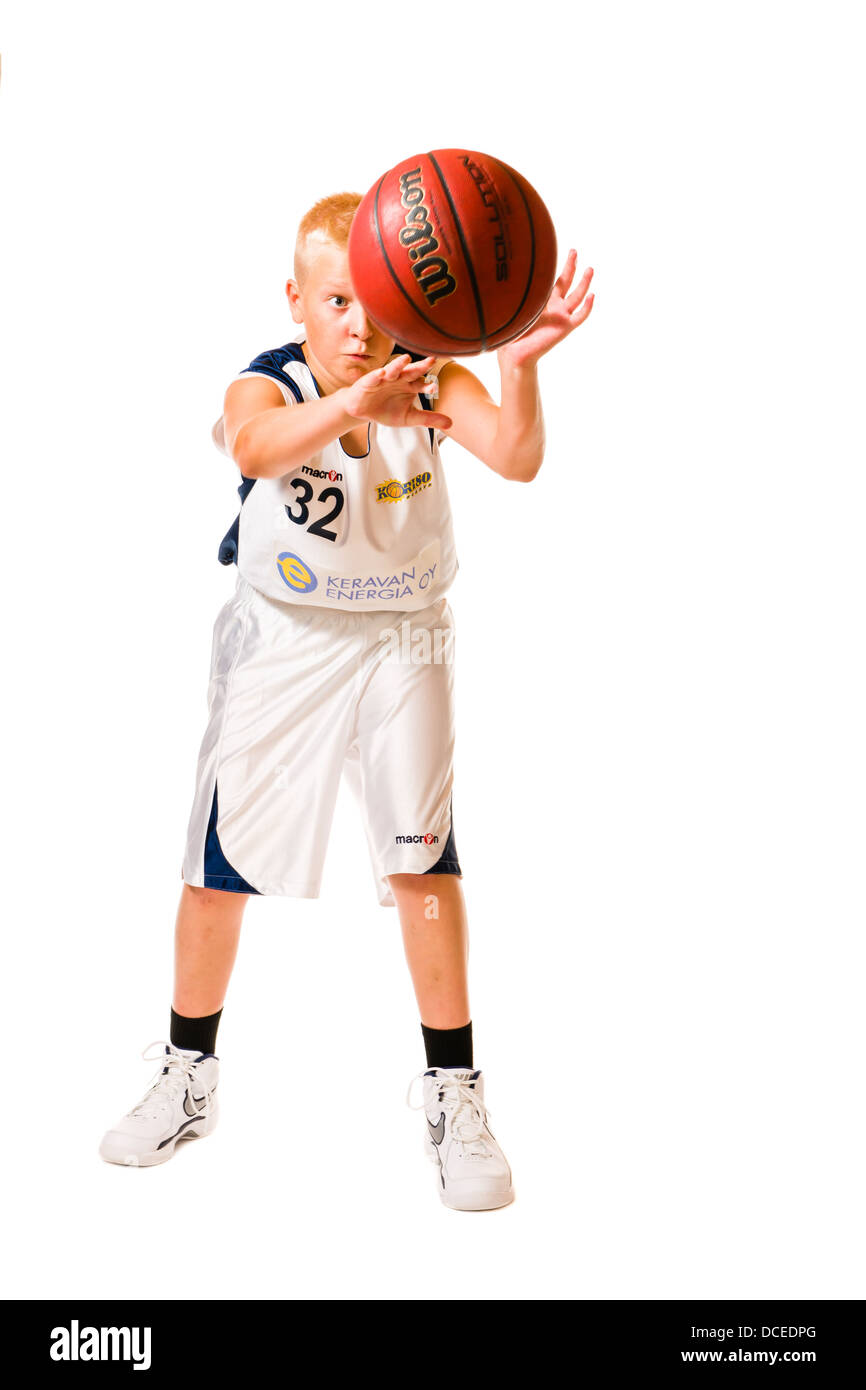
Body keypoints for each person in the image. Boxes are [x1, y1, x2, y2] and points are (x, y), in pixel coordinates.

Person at [99, 191, 594, 1210]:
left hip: (403, 637)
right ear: (298, 300)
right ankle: (188, 1070)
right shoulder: (266, 380)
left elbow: (517, 456)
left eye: (369, 298)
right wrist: (350, 409)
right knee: (218, 868)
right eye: (334, 300)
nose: (358, 323)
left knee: (422, 863)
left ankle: (454, 1091)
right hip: (284, 637)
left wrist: (520, 362)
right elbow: (254, 448)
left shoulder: (428, 374)